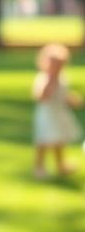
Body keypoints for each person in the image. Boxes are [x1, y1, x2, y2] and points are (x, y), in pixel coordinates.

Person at [32, 43, 82, 179]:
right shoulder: (43, 78)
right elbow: (41, 96)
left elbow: (64, 95)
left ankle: (61, 165)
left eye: (60, 65)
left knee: (59, 141)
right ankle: (39, 166)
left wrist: (75, 101)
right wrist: (50, 81)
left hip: (60, 113)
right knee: (44, 141)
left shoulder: (62, 78)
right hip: (47, 115)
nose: (57, 69)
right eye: (54, 65)